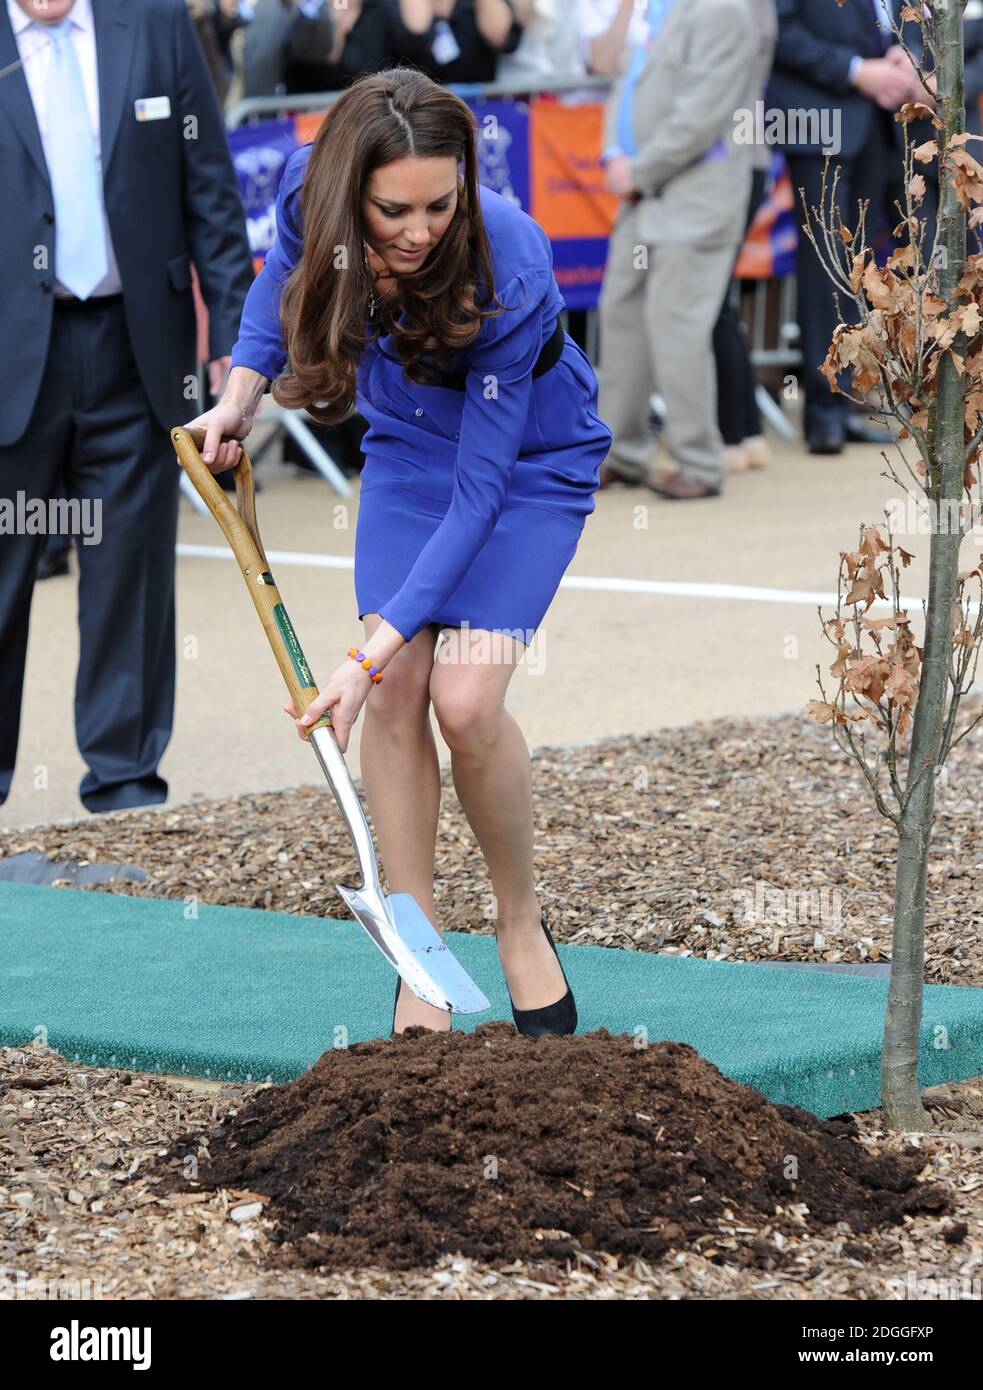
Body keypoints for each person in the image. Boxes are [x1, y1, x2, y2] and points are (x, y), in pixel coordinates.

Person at [183, 67, 611, 1037]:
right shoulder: (310, 187)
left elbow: (478, 497)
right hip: (410, 448)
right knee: (403, 681)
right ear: (350, 191)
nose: (419, 230)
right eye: (392, 211)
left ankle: (517, 922)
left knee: (462, 699)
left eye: (439, 204)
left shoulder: (514, 259)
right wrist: (240, 396)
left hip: (524, 462)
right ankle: (416, 948)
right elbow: (277, 285)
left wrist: (358, 657)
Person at [0, 0, 253, 814]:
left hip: (136, 349)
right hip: (10, 357)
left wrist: (237, 345)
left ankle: (124, 790)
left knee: (130, 577)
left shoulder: (152, 22)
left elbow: (208, 183)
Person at [586, 0, 759, 499]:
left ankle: (699, 462)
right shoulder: (660, 8)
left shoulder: (724, 11)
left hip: (694, 195)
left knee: (676, 324)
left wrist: (638, 172)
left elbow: (701, 113)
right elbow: (627, 80)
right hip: (645, 194)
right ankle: (622, 452)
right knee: (622, 315)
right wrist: (614, 154)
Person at [712, 0, 777, 474]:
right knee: (719, 304)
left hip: (728, 164)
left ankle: (735, 432)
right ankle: (745, 429)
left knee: (712, 303)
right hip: (736, 162)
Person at [388, 0, 527, 85]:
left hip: (482, 111)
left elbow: (500, 37)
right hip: (416, 111)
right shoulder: (388, 5)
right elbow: (413, 37)